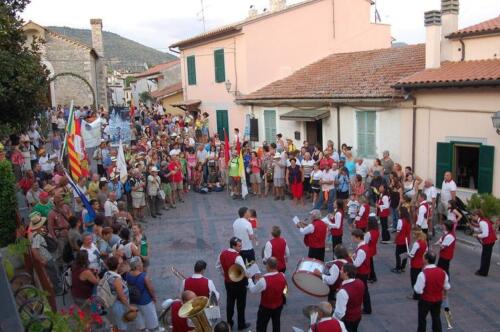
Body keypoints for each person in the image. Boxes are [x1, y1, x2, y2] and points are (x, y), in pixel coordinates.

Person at [216, 237, 250, 331]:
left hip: (228, 283)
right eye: (239, 246)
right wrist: (250, 275)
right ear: (233, 246)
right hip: (239, 284)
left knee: (230, 302)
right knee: (241, 304)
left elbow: (218, 266)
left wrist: (225, 275)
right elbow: (244, 272)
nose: (241, 247)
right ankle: (241, 324)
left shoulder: (222, 253)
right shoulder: (238, 257)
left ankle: (229, 322)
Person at [247, 257, 287, 332]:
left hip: (266, 308)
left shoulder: (263, 280)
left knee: (261, 327)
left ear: (268, 266)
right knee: (276, 325)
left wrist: (249, 279)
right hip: (278, 305)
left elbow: (253, 290)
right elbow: (284, 289)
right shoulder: (282, 275)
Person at [414, 251, 451, 332]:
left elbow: (417, 290)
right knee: (436, 318)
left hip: (425, 300)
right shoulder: (443, 272)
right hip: (438, 300)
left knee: (422, 319)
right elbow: (447, 286)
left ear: (426, 260)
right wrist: (444, 295)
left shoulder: (422, 274)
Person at [125, 257, 159, 332]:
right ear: (137, 266)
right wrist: (154, 297)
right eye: (141, 263)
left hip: (134, 300)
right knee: (151, 318)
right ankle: (153, 329)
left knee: (139, 318)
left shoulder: (128, 274)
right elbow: (150, 289)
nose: (142, 264)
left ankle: (143, 330)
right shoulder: (144, 276)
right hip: (145, 301)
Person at [29, 212, 60, 292]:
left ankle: (56, 286)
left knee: (53, 272)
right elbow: (34, 249)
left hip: (47, 257)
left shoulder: (36, 234)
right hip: (46, 258)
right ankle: (56, 289)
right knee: (52, 274)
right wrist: (42, 260)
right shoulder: (37, 236)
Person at [104, 256, 136, 332]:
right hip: (118, 306)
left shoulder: (107, 273)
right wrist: (129, 307)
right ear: (117, 265)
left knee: (115, 324)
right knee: (122, 327)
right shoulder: (117, 279)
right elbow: (121, 296)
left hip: (111, 303)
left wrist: (122, 272)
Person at [334, 263, 365, 332]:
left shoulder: (343, 292)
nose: (340, 271)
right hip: (358, 315)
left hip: (348, 319)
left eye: (341, 270)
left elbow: (340, 313)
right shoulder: (360, 282)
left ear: (346, 273)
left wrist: (333, 320)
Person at [350, 229, 371, 315]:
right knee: (364, 290)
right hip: (363, 272)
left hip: (362, 273)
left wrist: (351, 257)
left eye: (353, 237)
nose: (352, 238)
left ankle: (367, 308)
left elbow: (356, 264)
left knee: (364, 291)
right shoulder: (362, 246)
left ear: (358, 237)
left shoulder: (362, 250)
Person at [471, 210, 498, 277]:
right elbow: (481, 229)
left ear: (477, 216)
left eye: (473, 216)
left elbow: (485, 234)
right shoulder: (483, 220)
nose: (472, 217)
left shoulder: (482, 222)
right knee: (486, 257)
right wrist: (474, 229)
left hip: (489, 241)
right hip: (490, 240)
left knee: (485, 257)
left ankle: (483, 272)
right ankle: (483, 271)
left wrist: (476, 235)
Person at [408, 228, 428, 300]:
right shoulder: (425, 242)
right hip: (421, 262)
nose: (412, 235)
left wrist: (408, 254)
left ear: (416, 235)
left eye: (413, 234)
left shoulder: (416, 244)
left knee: (414, 280)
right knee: (418, 279)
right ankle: (419, 293)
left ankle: (416, 295)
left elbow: (412, 255)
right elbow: (425, 252)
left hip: (415, 263)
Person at [392, 206, 411, 273]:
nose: (399, 212)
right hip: (407, 239)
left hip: (401, 239)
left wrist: (395, 239)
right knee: (405, 253)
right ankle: (403, 267)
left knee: (398, 254)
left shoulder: (400, 221)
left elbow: (398, 231)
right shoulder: (408, 220)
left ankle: (398, 267)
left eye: (400, 211)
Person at [364, 216, 379, 283]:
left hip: (368, 250)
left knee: (368, 264)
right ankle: (372, 276)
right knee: (371, 263)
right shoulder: (377, 231)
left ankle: (371, 277)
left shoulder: (369, 233)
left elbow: (365, 242)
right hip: (373, 248)